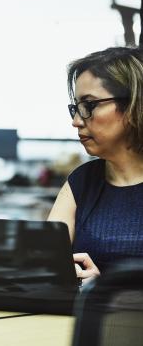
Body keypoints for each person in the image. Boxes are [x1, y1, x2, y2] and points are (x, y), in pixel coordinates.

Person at [48, 47, 143, 285]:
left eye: (89, 105)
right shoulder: (81, 181)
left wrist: (107, 286)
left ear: (133, 104)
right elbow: (43, 264)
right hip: (88, 320)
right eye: (76, 107)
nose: (76, 121)